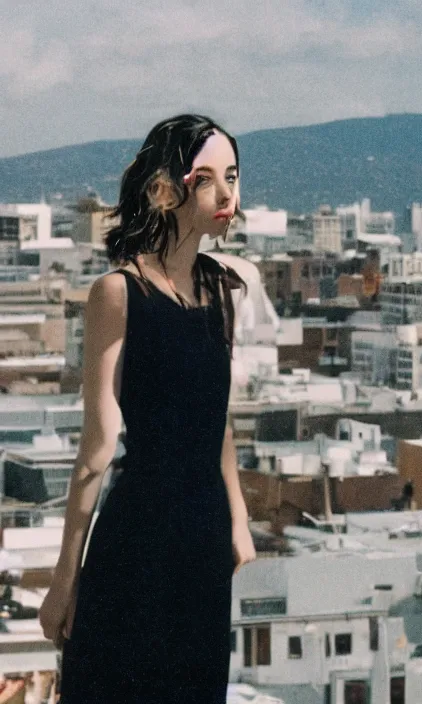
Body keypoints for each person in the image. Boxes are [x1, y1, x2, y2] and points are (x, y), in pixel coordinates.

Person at [38, 114, 258, 702]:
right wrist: (66, 577)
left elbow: (217, 418)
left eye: (232, 177)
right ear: (165, 189)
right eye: (206, 178)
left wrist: (239, 521)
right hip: (156, 533)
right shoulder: (119, 290)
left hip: (188, 533)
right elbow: (97, 448)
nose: (226, 194)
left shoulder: (218, 289)